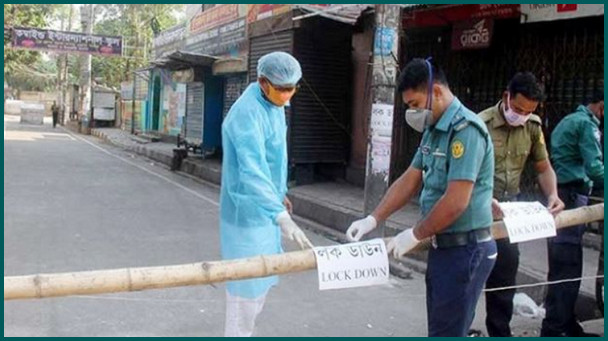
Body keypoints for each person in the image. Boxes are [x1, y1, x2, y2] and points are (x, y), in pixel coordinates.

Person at [346, 58, 497, 337]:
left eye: (415, 104)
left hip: (466, 250)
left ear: (436, 92)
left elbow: (456, 201)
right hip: (443, 247)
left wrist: (415, 233)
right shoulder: (434, 129)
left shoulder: (466, 131)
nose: (413, 112)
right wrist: (373, 218)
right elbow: (410, 179)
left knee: (447, 331)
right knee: (441, 328)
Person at [220, 51, 313, 337]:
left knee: (260, 285)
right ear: (263, 82)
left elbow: (275, 156)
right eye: (283, 88)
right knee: (243, 294)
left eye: (292, 88)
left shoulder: (273, 105)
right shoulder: (247, 113)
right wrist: (279, 214)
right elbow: (252, 169)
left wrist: (278, 195)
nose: (288, 94)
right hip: (245, 213)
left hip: (266, 208)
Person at [479, 72, 564, 337]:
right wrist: (483, 198)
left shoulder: (533, 127)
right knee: (468, 274)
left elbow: (543, 167)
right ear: (506, 96)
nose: (522, 115)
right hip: (477, 207)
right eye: (518, 109)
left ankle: (499, 332)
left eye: (529, 111)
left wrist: (553, 194)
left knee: (505, 273)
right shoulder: (479, 124)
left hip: (509, 211)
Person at [541, 89, 604, 337]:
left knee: (561, 265)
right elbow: (595, 167)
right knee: (567, 265)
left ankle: (563, 323)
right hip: (570, 197)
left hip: (559, 195)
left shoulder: (569, 120)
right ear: (601, 105)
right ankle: (557, 327)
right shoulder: (587, 125)